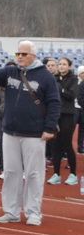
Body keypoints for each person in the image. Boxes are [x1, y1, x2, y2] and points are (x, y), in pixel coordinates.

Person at [0, 40, 60, 226]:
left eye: (24, 54)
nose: (20, 57)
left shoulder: (46, 77)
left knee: (34, 174)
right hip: (10, 132)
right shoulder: (11, 72)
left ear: (33, 56)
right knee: (11, 172)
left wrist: (49, 128)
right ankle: (11, 211)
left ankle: (33, 212)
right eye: (18, 54)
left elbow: (54, 103)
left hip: (34, 133)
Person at [48, 57, 77, 186]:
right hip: (55, 114)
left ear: (69, 66)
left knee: (67, 144)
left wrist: (59, 86)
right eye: (60, 64)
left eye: (64, 64)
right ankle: (56, 174)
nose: (61, 66)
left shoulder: (73, 79)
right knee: (55, 145)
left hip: (67, 115)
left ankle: (73, 174)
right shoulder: (53, 78)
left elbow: (71, 96)